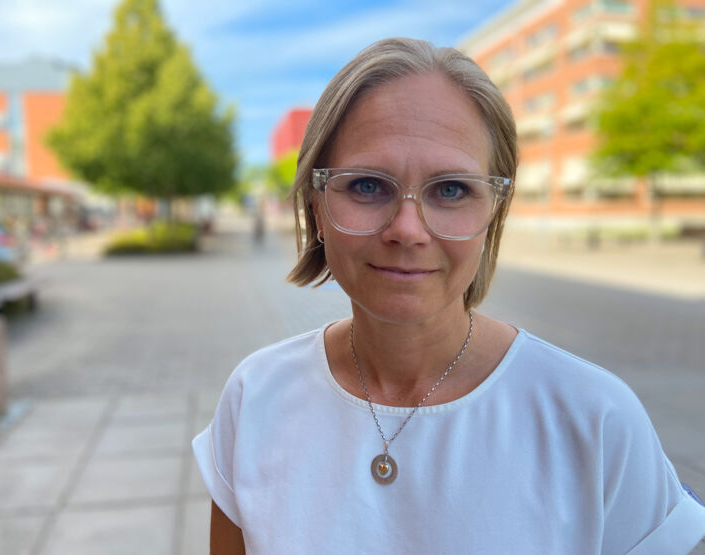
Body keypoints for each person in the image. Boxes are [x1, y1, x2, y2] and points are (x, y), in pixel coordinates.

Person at [193, 38, 705, 554]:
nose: (408, 230)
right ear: (316, 207)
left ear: (493, 213)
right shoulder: (256, 398)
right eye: (369, 185)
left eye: (452, 189)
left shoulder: (594, 420)